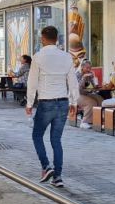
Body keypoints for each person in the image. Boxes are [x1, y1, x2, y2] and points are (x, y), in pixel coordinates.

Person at [25, 26, 79, 188]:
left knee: (37, 135)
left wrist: (29, 103)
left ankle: (46, 166)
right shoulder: (66, 57)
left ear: (42, 38)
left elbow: (32, 82)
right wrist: (74, 102)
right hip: (62, 102)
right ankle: (58, 177)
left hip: (46, 102)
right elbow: (73, 81)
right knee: (56, 140)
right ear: (57, 39)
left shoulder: (38, 57)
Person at [76, 59, 103, 129]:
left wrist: (94, 85)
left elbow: (89, 87)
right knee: (91, 102)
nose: (89, 69)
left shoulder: (89, 75)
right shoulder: (77, 74)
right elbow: (78, 88)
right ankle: (84, 122)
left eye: (90, 68)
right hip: (77, 95)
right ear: (82, 67)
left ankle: (98, 120)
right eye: (87, 68)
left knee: (100, 99)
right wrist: (84, 78)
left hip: (86, 94)